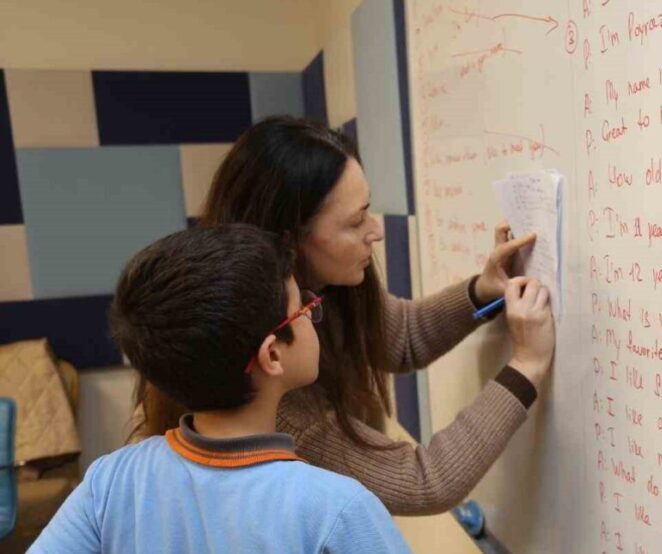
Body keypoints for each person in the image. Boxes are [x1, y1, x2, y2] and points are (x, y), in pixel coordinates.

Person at [0, 225, 540, 554]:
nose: (315, 315)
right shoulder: (337, 512)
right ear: (272, 354)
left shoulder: (110, 484)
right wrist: (530, 361)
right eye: (304, 307)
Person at [137, 116, 556, 515]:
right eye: (355, 223)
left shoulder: (327, 284)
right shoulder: (272, 401)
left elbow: (401, 338)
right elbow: (424, 482)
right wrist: (526, 365)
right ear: (291, 240)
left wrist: (481, 290)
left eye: (368, 209)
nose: (375, 231)